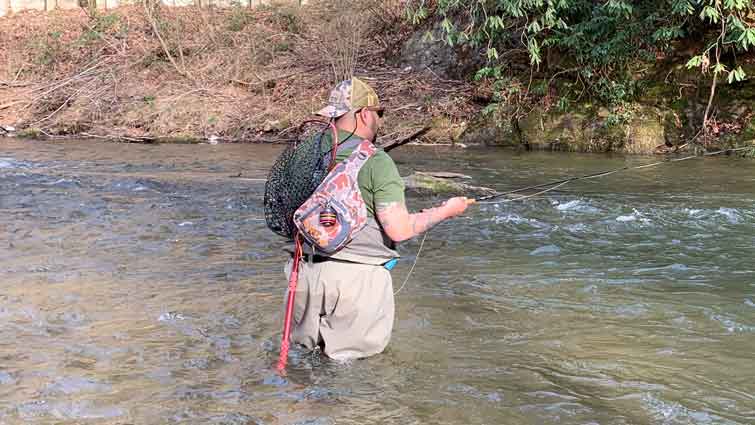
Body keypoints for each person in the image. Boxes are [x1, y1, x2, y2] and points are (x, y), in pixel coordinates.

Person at [285, 77, 470, 361]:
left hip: (304, 275)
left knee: (304, 363)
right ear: (364, 114)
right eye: (379, 114)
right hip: (355, 282)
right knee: (354, 379)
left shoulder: (304, 154)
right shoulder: (377, 162)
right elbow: (399, 229)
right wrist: (446, 210)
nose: (380, 121)